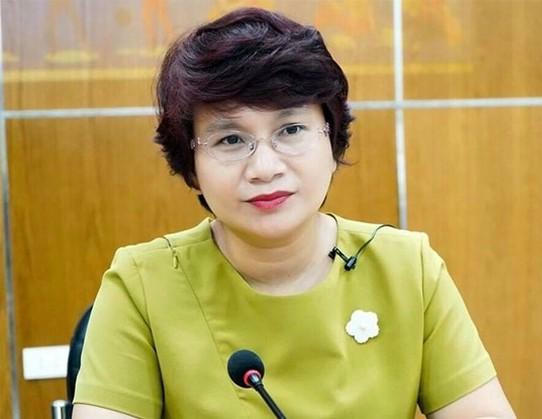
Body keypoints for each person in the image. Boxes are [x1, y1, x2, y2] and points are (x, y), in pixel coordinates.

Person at [72, 8, 515, 419]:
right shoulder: (142, 285)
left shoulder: (407, 270)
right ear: (191, 165)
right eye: (230, 140)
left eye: (291, 129)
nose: (265, 168)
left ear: (332, 139)